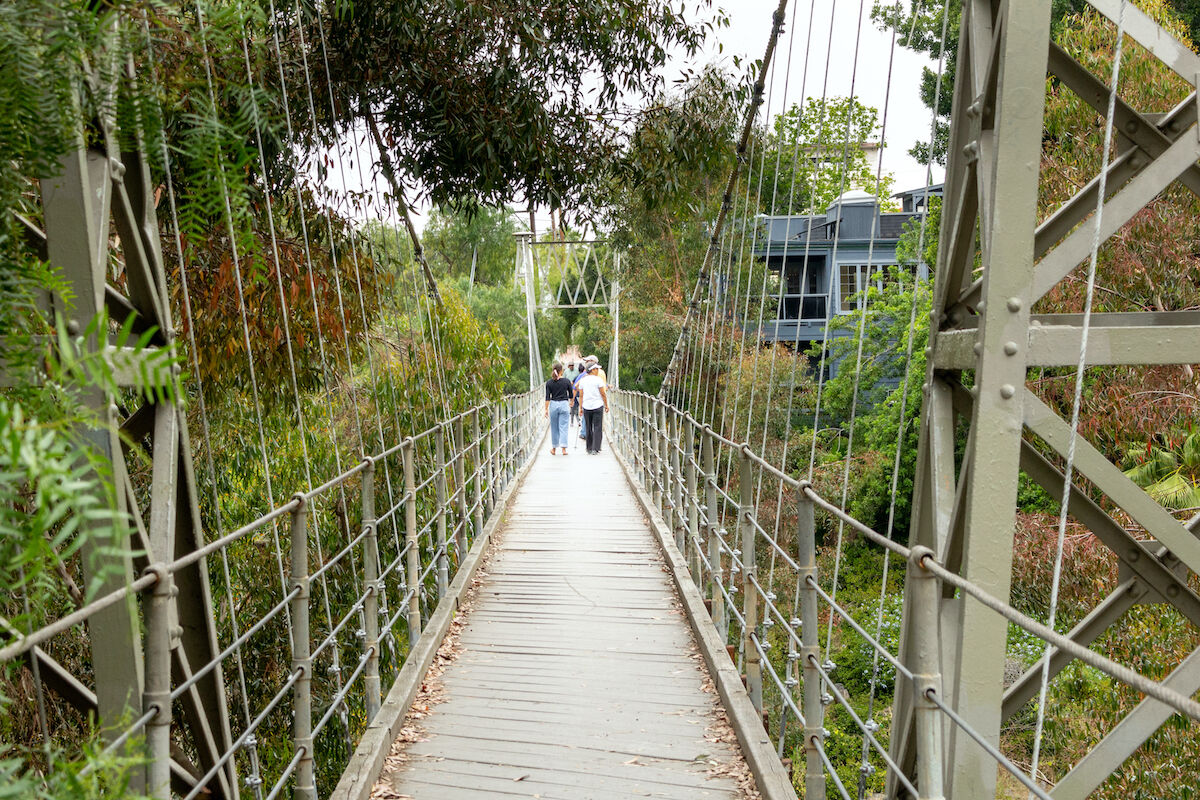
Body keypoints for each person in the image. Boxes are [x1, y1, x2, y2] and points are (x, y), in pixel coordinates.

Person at [577, 362, 609, 454]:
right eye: (596, 369)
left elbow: (581, 395)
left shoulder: (583, 380)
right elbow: (603, 393)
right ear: (593, 370)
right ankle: (596, 448)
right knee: (598, 426)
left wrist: (580, 408)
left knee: (588, 426)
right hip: (598, 405)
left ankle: (589, 448)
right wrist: (606, 405)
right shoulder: (598, 380)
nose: (598, 371)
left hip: (586, 406)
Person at [544, 362, 574, 455]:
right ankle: (564, 449)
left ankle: (554, 449)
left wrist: (546, 409)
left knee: (554, 427)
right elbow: (571, 395)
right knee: (564, 427)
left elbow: (547, 397)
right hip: (564, 404)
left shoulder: (549, 383)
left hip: (553, 405)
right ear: (561, 371)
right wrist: (571, 402)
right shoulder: (567, 381)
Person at [573, 363, 590, 440]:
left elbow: (575, 387)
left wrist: (572, 399)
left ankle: (584, 432)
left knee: (584, 413)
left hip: (583, 398)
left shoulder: (582, 376)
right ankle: (587, 432)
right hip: (590, 399)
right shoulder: (597, 375)